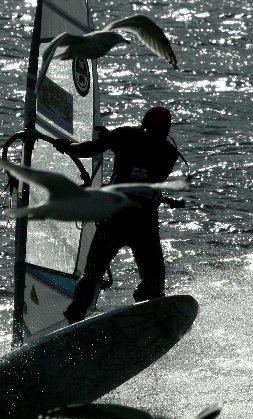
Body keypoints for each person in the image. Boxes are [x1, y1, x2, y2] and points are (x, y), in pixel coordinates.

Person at [55, 105, 184, 324]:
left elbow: (86, 150)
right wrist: (112, 139)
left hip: (116, 217)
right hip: (142, 220)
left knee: (92, 276)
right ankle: (147, 307)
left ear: (144, 123)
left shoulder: (125, 136)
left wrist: (66, 145)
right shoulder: (169, 152)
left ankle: (76, 314)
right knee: (153, 280)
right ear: (166, 130)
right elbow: (142, 157)